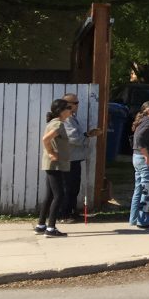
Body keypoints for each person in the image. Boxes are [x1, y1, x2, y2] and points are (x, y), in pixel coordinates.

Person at [35, 98, 73, 237]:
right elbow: (45, 139)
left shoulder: (54, 123)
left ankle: (41, 225)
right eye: (68, 108)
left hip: (53, 165)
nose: (70, 111)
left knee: (50, 195)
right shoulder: (58, 124)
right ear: (61, 111)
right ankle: (51, 228)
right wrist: (51, 153)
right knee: (59, 195)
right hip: (55, 165)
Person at [60, 92, 100, 222]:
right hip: (68, 159)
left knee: (74, 187)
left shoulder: (72, 117)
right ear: (67, 104)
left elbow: (77, 136)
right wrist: (87, 136)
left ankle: (72, 211)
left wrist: (87, 134)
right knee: (68, 187)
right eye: (75, 103)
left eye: (77, 102)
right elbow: (73, 138)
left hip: (75, 158)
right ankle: (64, 214)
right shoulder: (66, 119)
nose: (78, 105)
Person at [129, 100, 149, 230]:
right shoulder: (148, 122)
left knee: (139, 188)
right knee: (147, 189)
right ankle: (143, 220)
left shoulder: (143, 121)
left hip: (137, 157)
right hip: (144, 159)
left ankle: (134, 218)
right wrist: (146, 155)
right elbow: (139, 139)